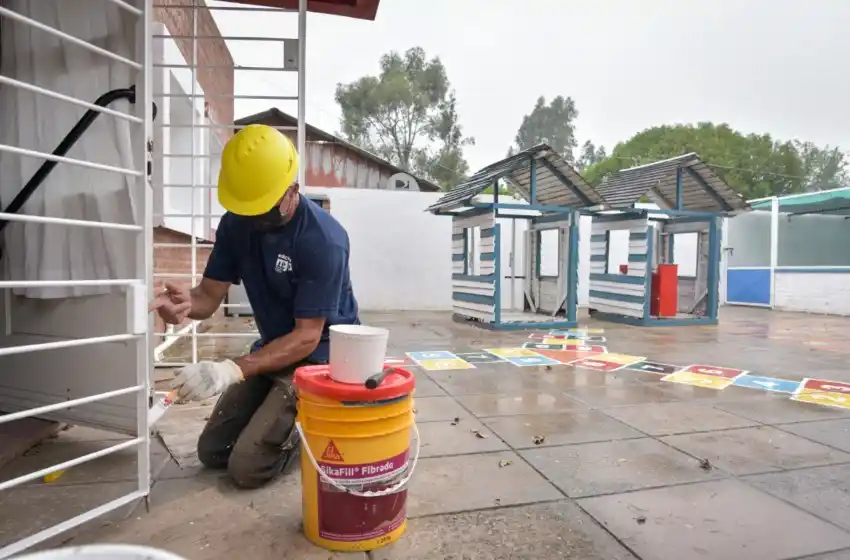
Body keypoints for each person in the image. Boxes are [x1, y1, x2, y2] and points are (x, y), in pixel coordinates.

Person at [150, 124, 360, 489]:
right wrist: (184, 306)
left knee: (247, 468)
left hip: (319, 361)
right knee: (214, 452)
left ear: (292, 189)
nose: (256, 221)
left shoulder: (323, 240)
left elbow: (307, 338)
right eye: (247, 210)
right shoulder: (237, 224)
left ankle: (319, 430)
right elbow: (207, 297)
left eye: (264, 209)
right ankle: (276, 410)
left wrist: (232, 369)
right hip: (274, 351)